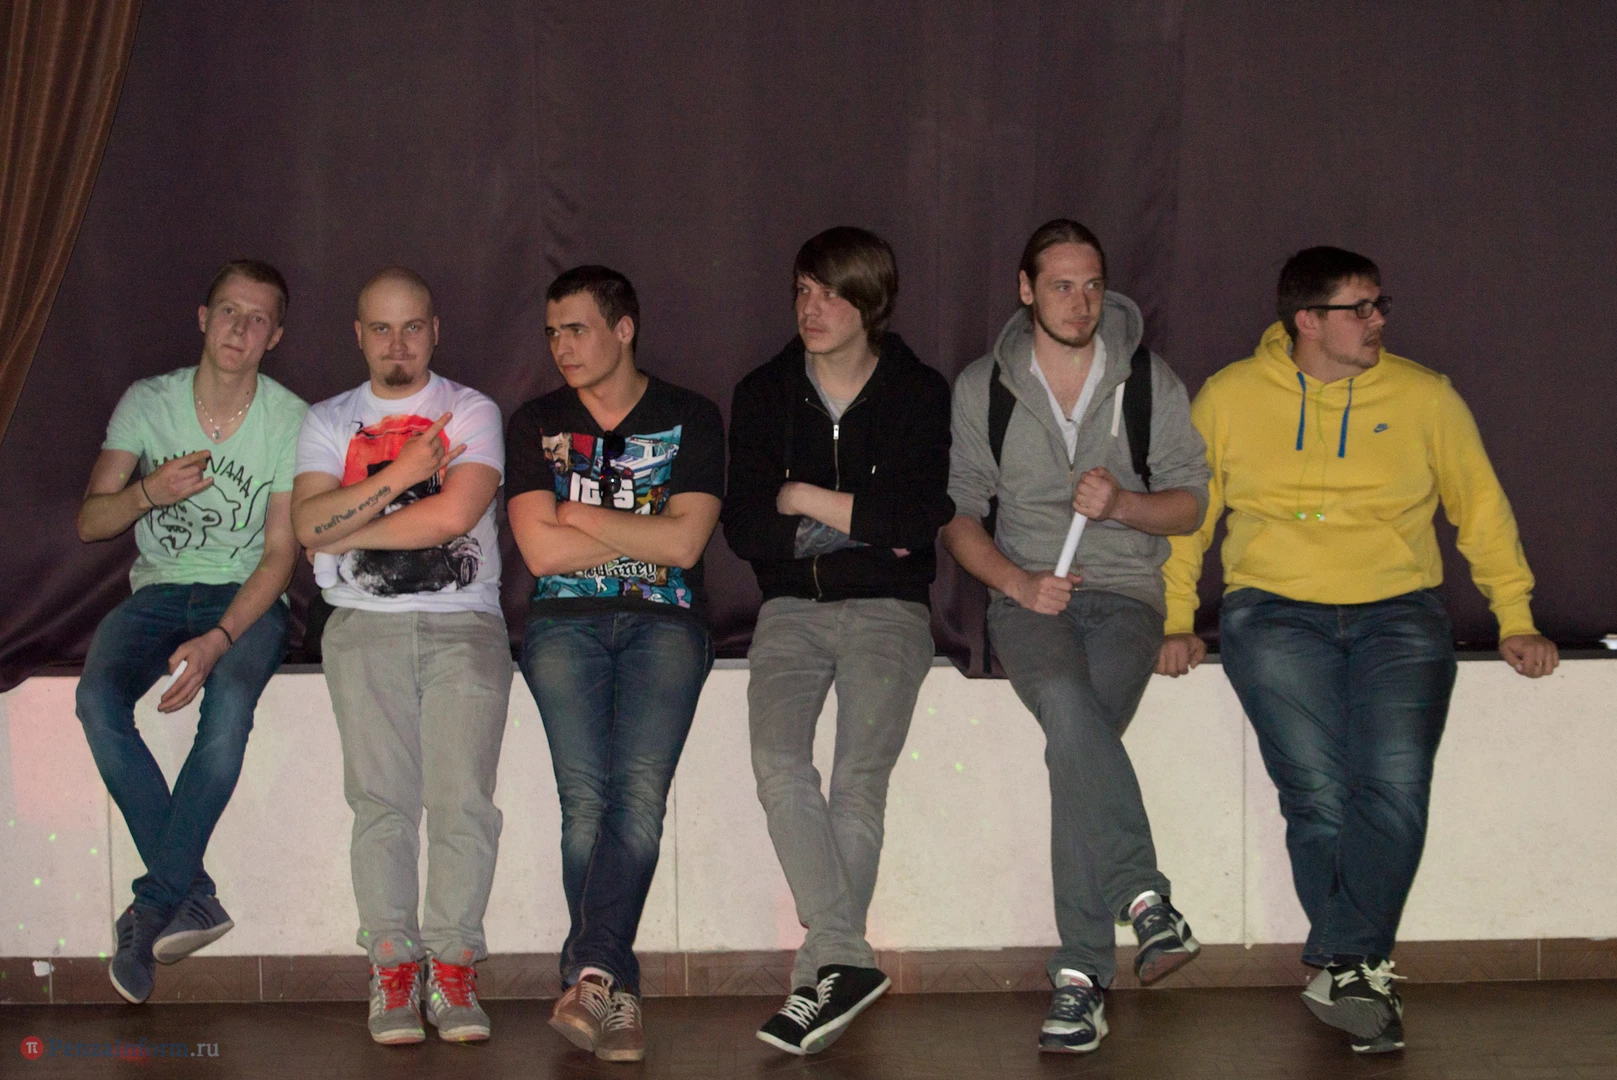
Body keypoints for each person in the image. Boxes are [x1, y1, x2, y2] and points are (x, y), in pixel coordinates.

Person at [1158, 246, 1560, 1054]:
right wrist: (1173, 616)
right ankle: (1357, 971)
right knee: (1315, 793)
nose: (1377, 321)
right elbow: (1189, 516)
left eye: (1379, 306)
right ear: (1307, 321)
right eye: (1359, 308)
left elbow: (1480, 509)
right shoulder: (1230, 396)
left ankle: (1346, 964)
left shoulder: (1424, 396)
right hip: (1273, 611)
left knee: (1394, 785)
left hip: (1397, 613)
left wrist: (1513, 615)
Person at [940, 220, 1210, 1054]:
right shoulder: (983, 386)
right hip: (1027, 599)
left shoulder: (1146, 380)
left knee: (1073, 745)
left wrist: (1122, 503)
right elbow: (958, 518)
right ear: (1025, 290)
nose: (1080, 302)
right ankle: (1142, 897)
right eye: (1060, 285)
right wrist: (1018, 583)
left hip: (1125, 595)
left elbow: (1190, 505)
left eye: (1092, 284)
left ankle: (1081, 978)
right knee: (1065, 703)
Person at [722, 227, 954, 1055]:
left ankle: (819, 974)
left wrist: (800, 496)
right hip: (790, 608)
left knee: (858, 781)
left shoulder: (917, 391)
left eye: (829, 293)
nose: (810, 309)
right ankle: (844, 959)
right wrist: (860, 523)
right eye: (802, 291)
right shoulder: (763, 392)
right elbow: (747, 529)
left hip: (890, 610)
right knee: (778, 764)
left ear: (870, 301)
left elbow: (917, 521)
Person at [505, 265, 724, 1064]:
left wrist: (577, 512)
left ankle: (590, 975)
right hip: (563, 625)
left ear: (623, 329)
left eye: (577, 329)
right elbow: (539, 553)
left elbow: (686, 544)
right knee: (583, 806)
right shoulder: (536, 421)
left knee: (635, 797)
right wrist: (640, 529)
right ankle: (613, 990)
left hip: (666, 622)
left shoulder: (689, 416)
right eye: (552, 333)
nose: (561, 346)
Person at [75, 260, 307, 1004]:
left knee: (228, 705)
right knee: (96, 701)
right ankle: (191, 893)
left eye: (258, 318)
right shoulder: (149, 402)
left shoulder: (289, 419)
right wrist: (148, 490)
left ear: (275, 337)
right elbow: (92, 521)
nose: (241, 328)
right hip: (158, 592)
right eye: (229, 311)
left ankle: (155, 904)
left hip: (245, 599)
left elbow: (280, 554)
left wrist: (221, 639)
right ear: (204, 319)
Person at [291, 268, 509, 1046]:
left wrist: (341, 526)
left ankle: (452, 968)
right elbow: (304, 524)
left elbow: (450, 517)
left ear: (434, 330)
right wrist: (404, 474)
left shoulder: (471, 410)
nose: (397, 344)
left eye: (411, 327)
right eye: (381, 329)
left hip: (463, 625)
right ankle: (391, 966)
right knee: (379, 804)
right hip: (361, 628)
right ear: (358, 336)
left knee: (463, 804)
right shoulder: (326, 419)